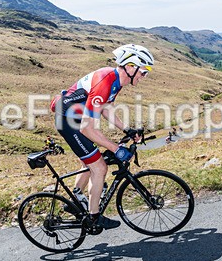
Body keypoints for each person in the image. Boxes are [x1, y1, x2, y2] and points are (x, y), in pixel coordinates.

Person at [51, 43, 153, 231]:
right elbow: (86, 129)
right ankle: (94, 217)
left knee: (90, 160)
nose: (144, 76)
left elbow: (106, 108)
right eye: (144, 71)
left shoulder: (116, 80)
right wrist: (116, 148)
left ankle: (75, 198)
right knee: (99, 167)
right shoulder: (105, 81)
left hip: (76, 117)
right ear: (130, 67)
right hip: (69, 121)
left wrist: (127, 129)